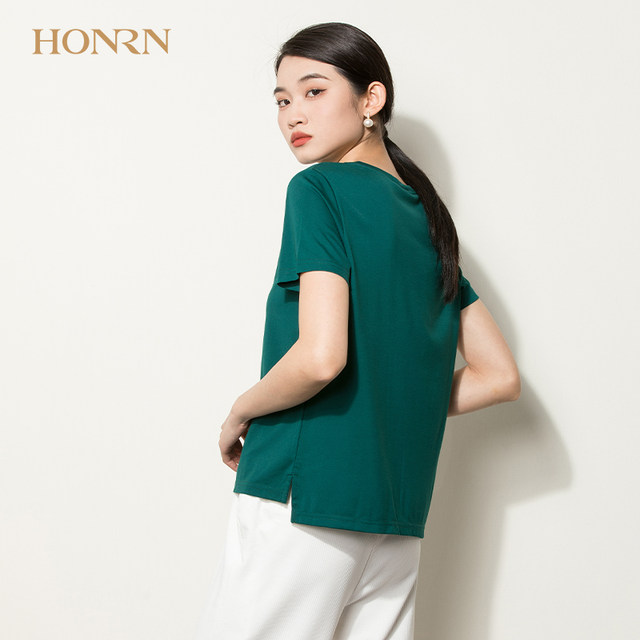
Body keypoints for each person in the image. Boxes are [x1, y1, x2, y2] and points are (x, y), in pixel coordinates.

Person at [194, 21, 521, 640]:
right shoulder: (429, 222)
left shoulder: (318, 189)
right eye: (282, 99)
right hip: (395, 517)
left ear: (372, 99)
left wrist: (240, 411)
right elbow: (498, 376)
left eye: (314, 91)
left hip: (304, 494)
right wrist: (391, 402)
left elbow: (321, 357)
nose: (293, 113)